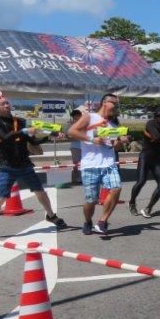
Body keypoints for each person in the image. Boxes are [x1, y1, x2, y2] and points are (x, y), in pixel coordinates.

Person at [0, 95, 67, 238]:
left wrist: (50, 137)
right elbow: (4, 139)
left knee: (40, 191)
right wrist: (24, 131)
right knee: (1, 197)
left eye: (7, 102)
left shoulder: (20, 121)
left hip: (25, 164)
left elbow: (32, 140)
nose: (7, 105)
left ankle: (51, 215)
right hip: (7, 166)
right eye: (2, 104)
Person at [67, 93, 129, 236]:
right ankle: (88, 221)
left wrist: (121, 142)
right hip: (90, 165)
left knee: (116, 188)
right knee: (92, 200)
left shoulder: (113, 125)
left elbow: (114, 147)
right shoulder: (89, 117)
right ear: (105, 103)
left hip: (108, 163)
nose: (116, 106)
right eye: (114, 103)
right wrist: (91, 139)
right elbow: (71, 131)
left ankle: (102, 221)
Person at [129, 105, 160, 217]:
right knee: (141, 181)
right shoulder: (151, 123)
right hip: (146, 156)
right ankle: (132, 202)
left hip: (156, 158)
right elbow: (156, 137)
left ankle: (148, 208)